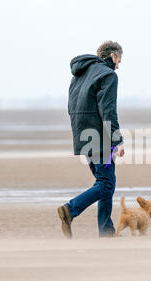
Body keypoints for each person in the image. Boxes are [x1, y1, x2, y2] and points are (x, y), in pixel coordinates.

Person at [57, 41, 125, 238]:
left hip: (82, 134)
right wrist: (117, 140)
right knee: (105, 183)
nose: (119, 65)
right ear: (112, 56)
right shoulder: (108, 75)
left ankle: (106, 230)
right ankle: (70, 210)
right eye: (119, 60)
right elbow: (108, 110)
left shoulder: (81, 73)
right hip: (99, 137)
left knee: (106, 182)